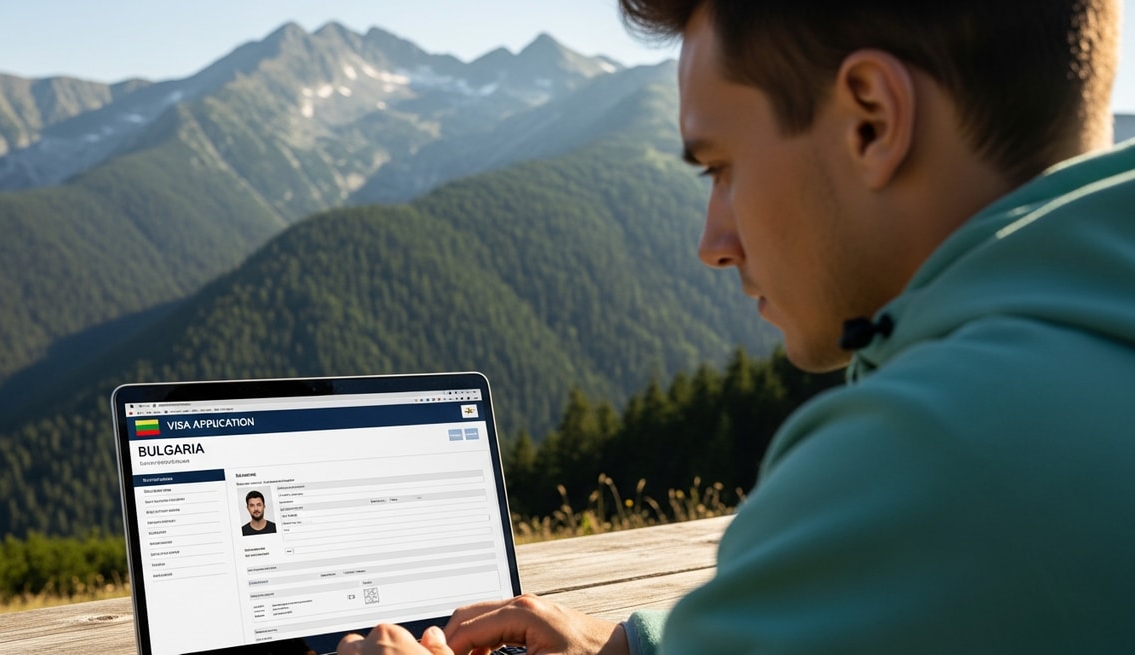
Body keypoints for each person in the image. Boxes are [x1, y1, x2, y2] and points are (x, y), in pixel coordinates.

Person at [338, 0, 1135, 652]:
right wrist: (634, 645)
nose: (712, 244)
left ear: (871, 121)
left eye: (720, 168)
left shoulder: (924, 450)